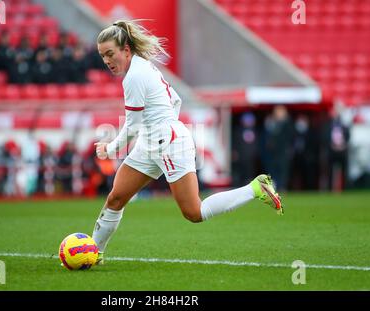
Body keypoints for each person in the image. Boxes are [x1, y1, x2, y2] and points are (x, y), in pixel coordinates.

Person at [91, 20, 284, 265]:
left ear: (126, 50)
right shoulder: (142, 68)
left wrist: (110, 149)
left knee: (194, 212)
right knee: (116, 199)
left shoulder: (134, 76)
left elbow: (133, 125)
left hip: (169, 144)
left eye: (110, 54)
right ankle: (93, 253)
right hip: (152, 143)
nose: (106, 61)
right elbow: (175, 99)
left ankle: (255, 188)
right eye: (102, 56)